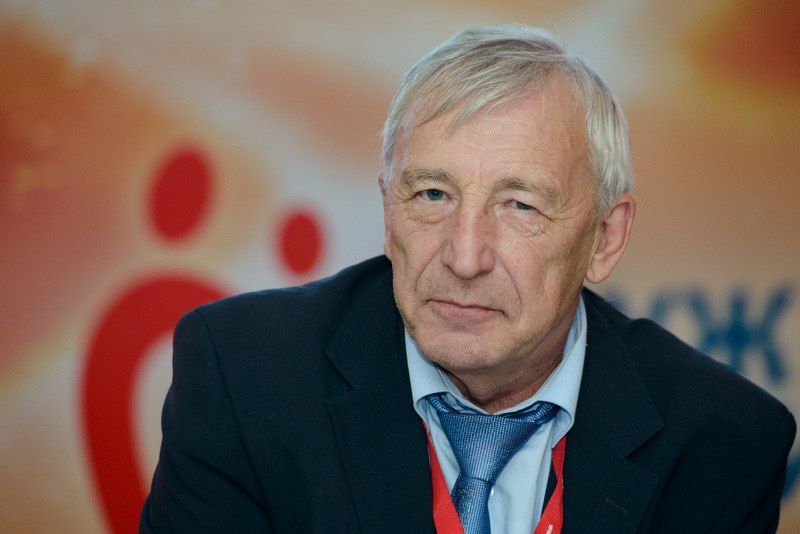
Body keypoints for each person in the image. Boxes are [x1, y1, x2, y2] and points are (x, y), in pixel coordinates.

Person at [140, 24, 796, 533]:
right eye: (432, 195)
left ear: (604, 238)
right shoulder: (244, 377)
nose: (464, 256)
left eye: (520, 206)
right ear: (387, 208)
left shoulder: (720, 442)